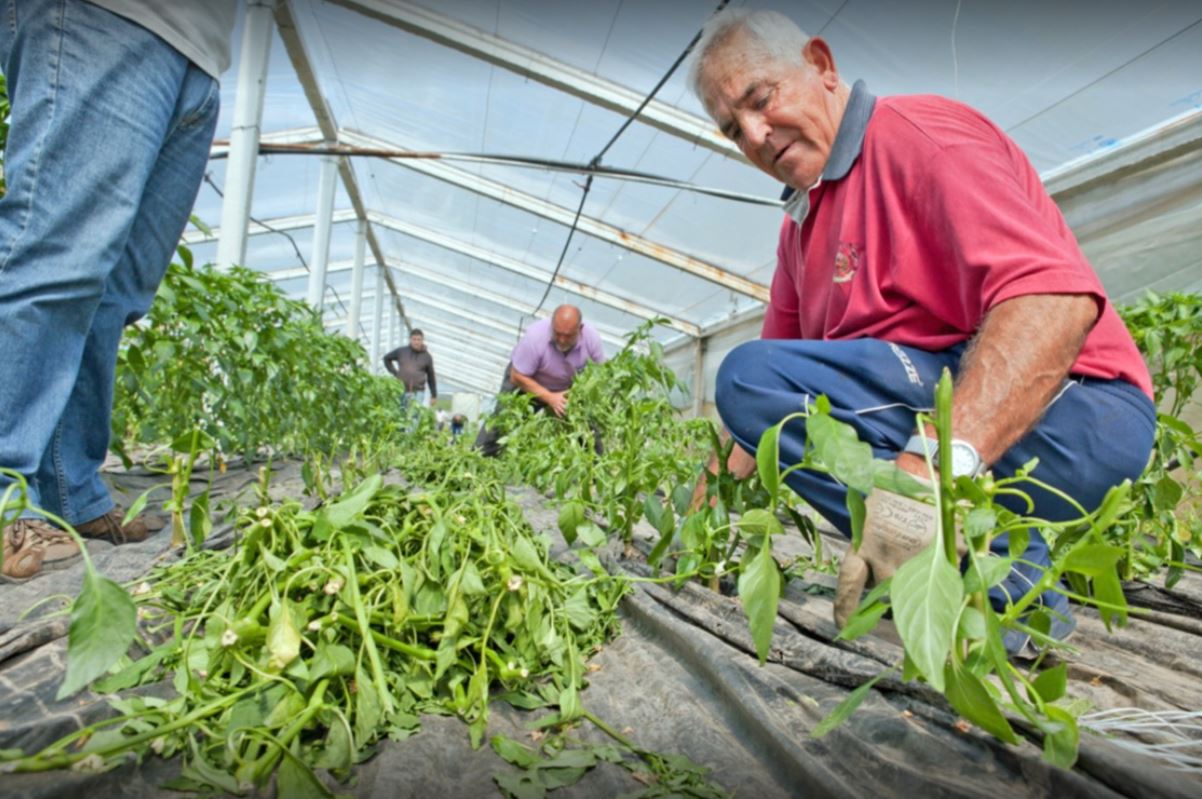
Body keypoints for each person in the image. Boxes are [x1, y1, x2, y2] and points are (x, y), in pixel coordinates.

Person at [688, 9, 1155, 653]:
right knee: (752, 384)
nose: (756, 134)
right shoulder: (801, 225)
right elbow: (768, 394)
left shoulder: (920, 138)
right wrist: (702, 507)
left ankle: (1000, 576)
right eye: (732, 128)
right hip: (965, 421)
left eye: (760, 100)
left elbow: (1056, 303)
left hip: (1078, 412)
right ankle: (1001, 577)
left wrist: (925, 473)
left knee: (746, 374)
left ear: (821, 66)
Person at [1, 0, 236, 582]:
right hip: (108, 17)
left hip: (199, 50)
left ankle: (68, 495)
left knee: (114, 293)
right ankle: (5, 499)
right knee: (55, 256)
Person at [475, 304, 607, 457]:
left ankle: (596, 472)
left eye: (568, 335)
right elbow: (516, 376)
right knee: (502, 422)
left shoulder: (591, 339)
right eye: (557, 333)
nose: (562, 340)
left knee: (587, 432)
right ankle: (477, 461)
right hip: (527, 382)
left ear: (580, 329)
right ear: (551, 324)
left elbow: (599, 376)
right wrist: (550, 398)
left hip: (565, 389)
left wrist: (575, 393)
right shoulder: (535, 337)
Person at [383, 329, 438, 410]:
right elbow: (386, 358)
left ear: (422, 340)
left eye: (419, 339)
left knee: (414, 416)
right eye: (414, 339)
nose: (416, 342)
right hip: (401, 390)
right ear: (410, 340)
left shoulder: (427, 357)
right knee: (400, 414)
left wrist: (434, 395)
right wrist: (395, 372)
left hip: (418, 392)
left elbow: (431, 377)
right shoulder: (401, 351)